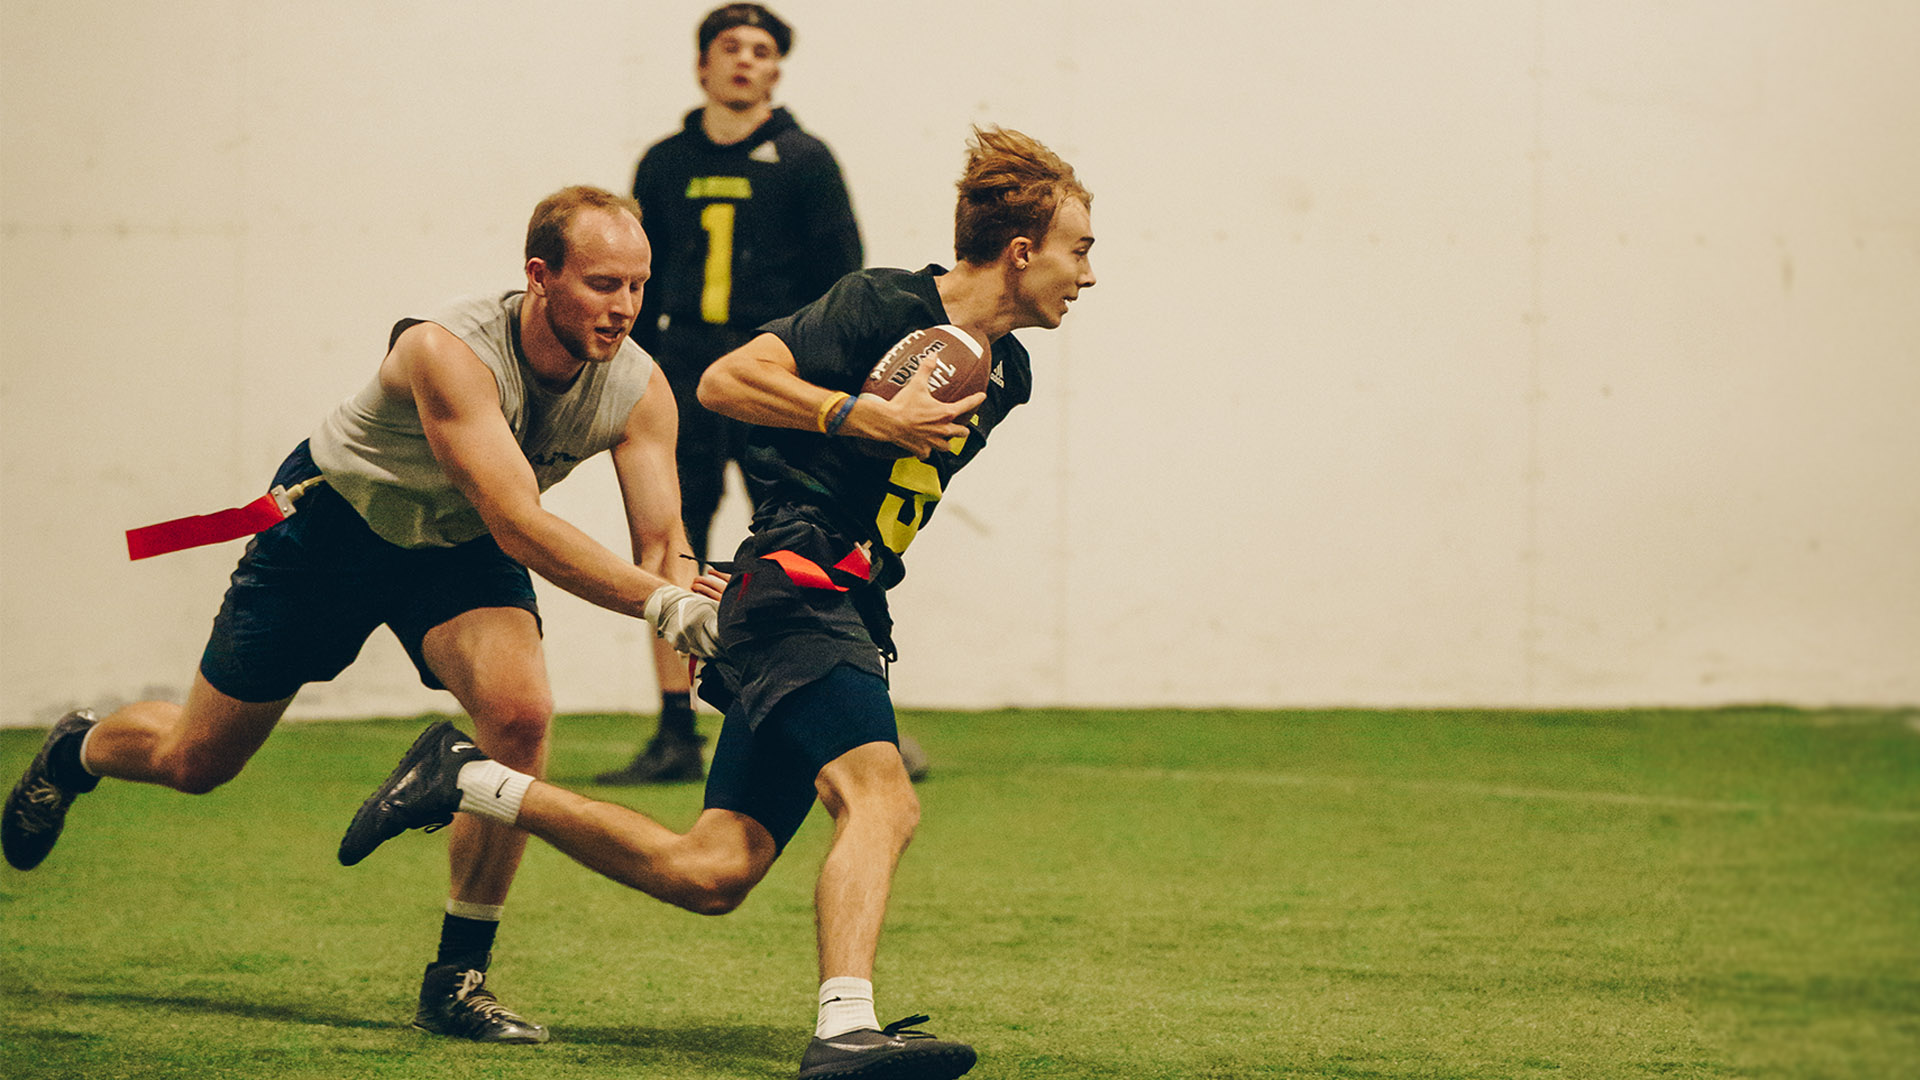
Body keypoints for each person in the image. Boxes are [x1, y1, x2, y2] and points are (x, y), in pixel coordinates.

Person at [339, 126, 1095, 1080]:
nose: (1088, 275)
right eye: (1080, 250)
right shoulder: (880, 301)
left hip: (847, 603)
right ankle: (846, 1028)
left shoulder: (1009, 373)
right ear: (1023, 251)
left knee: (711, 872)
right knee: (883, 799)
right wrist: (853, 412)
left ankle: (468, 779)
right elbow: (724, 379)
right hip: (794, 590)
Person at [1, 186, 722, 1045]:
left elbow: (663, 541)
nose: (626, 309)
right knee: (195, 758)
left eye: (639, 286)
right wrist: (662, 602)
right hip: (335, 529)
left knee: (519, 715)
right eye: (604, 284)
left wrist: (695, 611)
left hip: (454, 549)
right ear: (540, 275)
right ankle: (79, 747)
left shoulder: (639, 387)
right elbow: (520, 522)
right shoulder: (446, 351)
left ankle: (459, 980)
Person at [602, 2, 864, 785]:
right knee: (667, 536)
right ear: (702, 65)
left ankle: (843, 710)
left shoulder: (807, 160)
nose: (745, 61)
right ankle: (675, 726)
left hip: (770, 378)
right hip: (679, 372)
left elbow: (842, 282)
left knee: (807, 537)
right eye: (730, 47)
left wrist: (812, 384)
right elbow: (633, 271)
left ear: (776, 69)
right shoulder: (664, 162)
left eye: (760, 50)